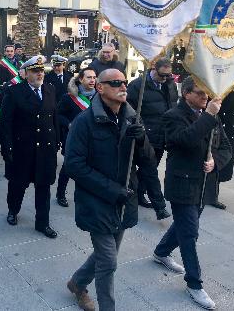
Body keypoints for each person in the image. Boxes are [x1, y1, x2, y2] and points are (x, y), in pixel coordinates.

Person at [65, 68, 159, 311]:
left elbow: (148, 160)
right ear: (100, 88)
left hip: (124, 200)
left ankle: (77, 282)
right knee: (108, 261)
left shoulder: (132, 117)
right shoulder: (84, 122)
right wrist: (111, 190)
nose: (123, 86)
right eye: (115, 83)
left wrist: (141, 140)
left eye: (124, 82)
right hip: (97, 201)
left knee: (106, 255)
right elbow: (74, 165)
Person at [152, 77, 231, 310]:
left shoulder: (210, 115)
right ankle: (194, 284)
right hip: (182, 185)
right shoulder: (173, 116)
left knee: (184, 225)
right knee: (190, 232)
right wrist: (208, 116)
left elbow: (225, 146)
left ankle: (161, 251)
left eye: (207, 92)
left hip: (204, 185)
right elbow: (183, 141)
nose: (205, 96)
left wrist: (215, 162)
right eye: (200, 92)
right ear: (186, 93)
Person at [0, 55, 58, 238]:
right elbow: (6, 123)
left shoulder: (50, 89)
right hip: (22, 149)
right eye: (35, 71)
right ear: (25, 74)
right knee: (18, 184)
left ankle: (43, 222)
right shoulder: (14, 92)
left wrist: (57, 140)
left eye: (41, 71)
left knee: (44, 187)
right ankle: (13, 210)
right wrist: (7, 147)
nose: (40, 74)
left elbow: (53, 117)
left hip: (45, 149)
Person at [127, 57, 177, 219]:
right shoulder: (137, 86)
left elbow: (173, 106)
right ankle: (159, 207)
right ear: (153, 69)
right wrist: (141, 129)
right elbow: (129, 110)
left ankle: (139, 194)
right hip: (146, 136)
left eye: (168, 75)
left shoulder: (170, 84)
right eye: (163, 75)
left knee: (150, 168)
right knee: (150, 170)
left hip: (163, 135)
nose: (165, 78)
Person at [55, 67, 96, 207]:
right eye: (89, 77)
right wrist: (69, 124)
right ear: (80, 79)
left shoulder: (100, 97)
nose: (92, 80)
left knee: (90, 168)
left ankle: (87, 195)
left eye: (94, 77)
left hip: (92, 140)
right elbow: (58, 115)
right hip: (73, 139)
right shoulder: (69, 97)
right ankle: (60, 194)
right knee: (68, 168)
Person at [205, 87, 234, 210]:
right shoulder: (214, 86)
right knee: (211, 162)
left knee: (222, 165)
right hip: (215, 129)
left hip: (229, 131)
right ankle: (208, 195)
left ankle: (213, 195)